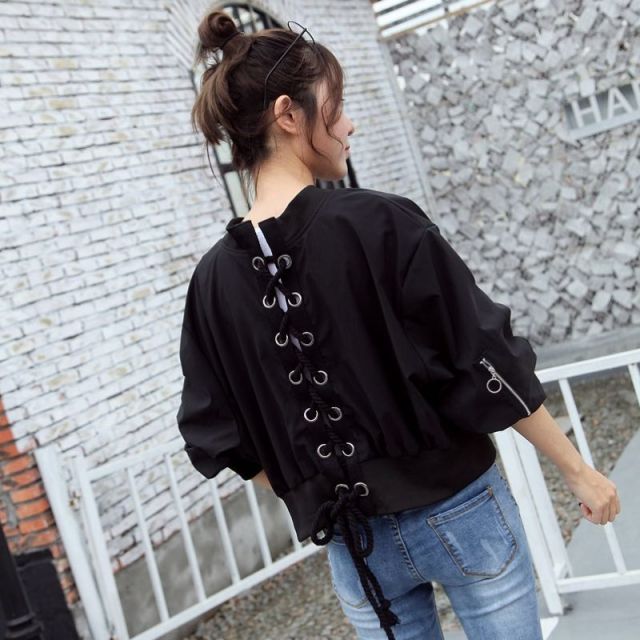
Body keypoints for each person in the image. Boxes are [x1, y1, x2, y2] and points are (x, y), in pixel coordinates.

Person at [177, 9, 621, 640]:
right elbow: (480, 356)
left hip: (353, 543)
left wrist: (315, 486)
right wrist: (577, 469)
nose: (349, 124)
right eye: (337, 106)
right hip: (458, 509)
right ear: (288, 115)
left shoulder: (211, 283)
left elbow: (213, 430)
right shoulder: (381, 222)